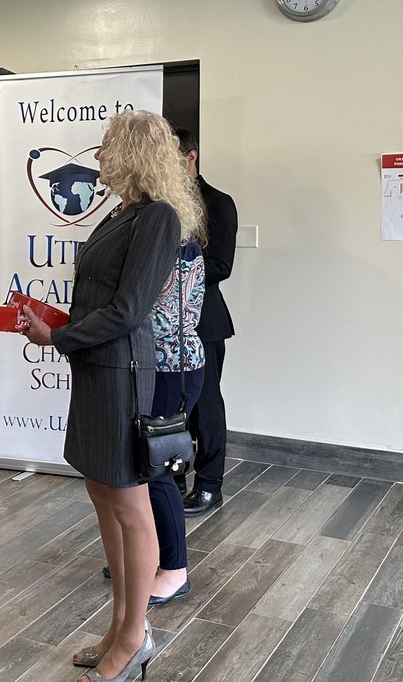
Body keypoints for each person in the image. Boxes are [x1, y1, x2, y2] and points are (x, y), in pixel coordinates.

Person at [20, 109, 183, 682]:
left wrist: (57, 336)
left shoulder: (158, 218)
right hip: (97, 366)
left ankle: (135, 636)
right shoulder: (125, 213)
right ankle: (119, 626)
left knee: (130, 506)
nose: (97, 156)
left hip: (119, 370)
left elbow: (128, 310)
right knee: (102, 495)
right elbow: (103, 299)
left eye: (107, 145)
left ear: (135, 151)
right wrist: (58, 325)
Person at [145, 180, 206, 607]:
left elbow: (159, 313)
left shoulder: (170, 235)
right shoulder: (171, 229)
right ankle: (148, 552)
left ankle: (173, 568)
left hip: (172, 366)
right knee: (140, 468)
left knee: (156, 471)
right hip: (161, 363)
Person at [176, 129, 238, 517]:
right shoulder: (160, 205)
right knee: (170, 408)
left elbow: (221, 266)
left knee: (205, 406)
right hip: (164, 326)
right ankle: (172, 477)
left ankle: (209, 486)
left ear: (191, 157)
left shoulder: (219, 202)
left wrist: (170, 276)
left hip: (204, 322)